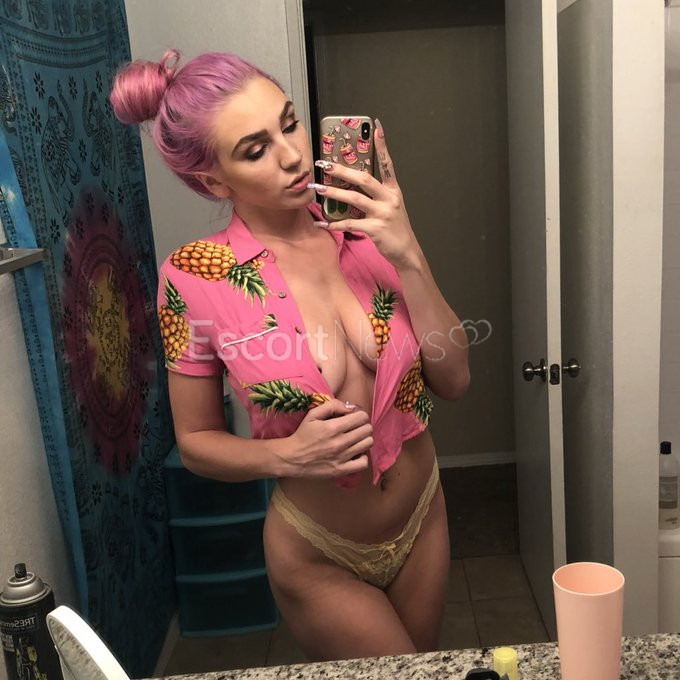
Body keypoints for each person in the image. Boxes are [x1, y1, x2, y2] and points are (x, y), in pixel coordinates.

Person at [110, 49, 470, 662]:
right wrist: (288, 455)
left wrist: (408, 250)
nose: (294, 156)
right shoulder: (193, 276)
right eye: (256, 150)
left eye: (290, 123)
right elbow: (195, 442)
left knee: (427, 666)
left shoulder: (368, 229)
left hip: (422, 515)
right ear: (214, 181)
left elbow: (454, 378)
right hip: (318, 551)